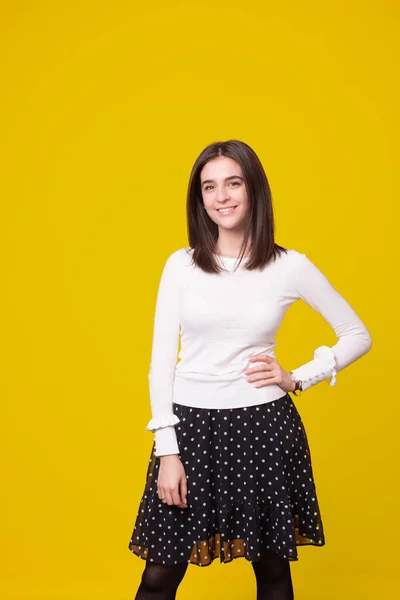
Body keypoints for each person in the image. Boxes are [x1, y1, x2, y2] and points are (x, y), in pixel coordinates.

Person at [128, 139, 372, 600]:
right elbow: (161, 362)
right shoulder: (181, 265)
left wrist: (297, 377)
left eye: (233, 183)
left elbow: (357, 334)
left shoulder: (289, 266)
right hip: (191, 428)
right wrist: (168, 451)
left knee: (273, 573)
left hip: (263, 427)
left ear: (253, 189)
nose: (221, 197)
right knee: (158, 576)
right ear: (199, 198)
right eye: (209, 187)